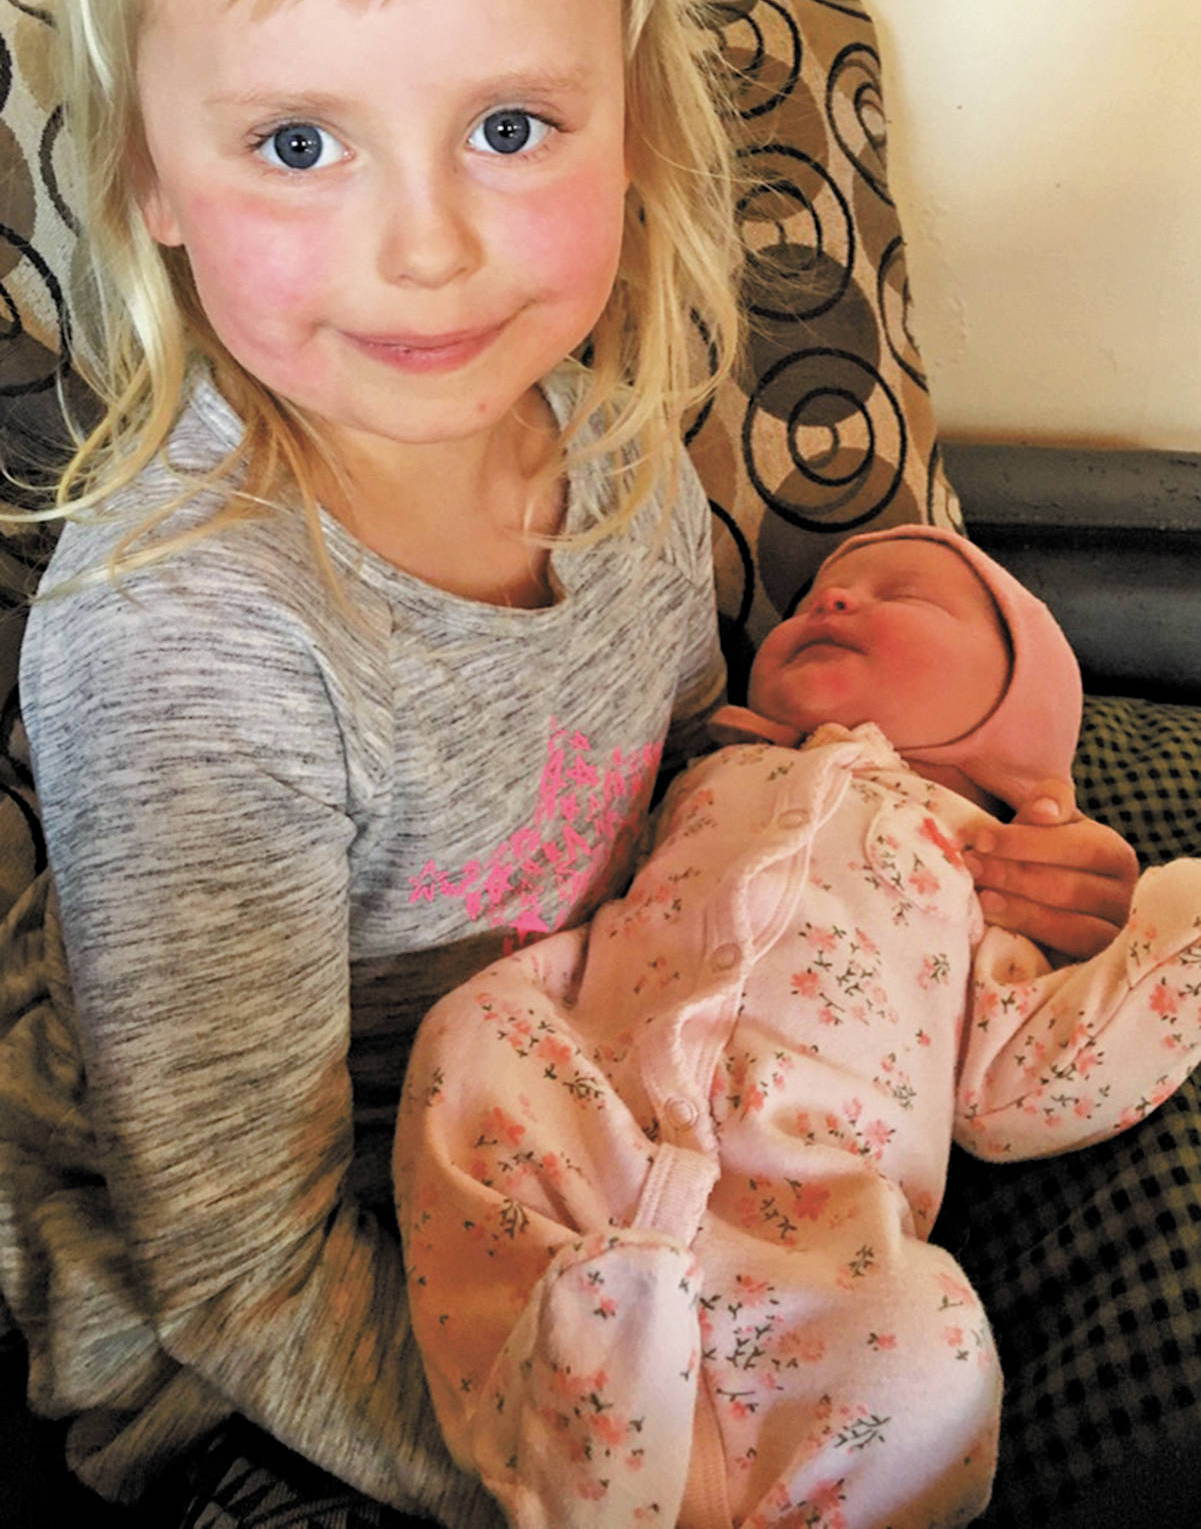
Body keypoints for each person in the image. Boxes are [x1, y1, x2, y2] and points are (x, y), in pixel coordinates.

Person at [0, 0, 1134, 1523]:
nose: (427, 246)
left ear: (632, 126)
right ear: (147, 171)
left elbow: (687, 800)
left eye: (509, 128)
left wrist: (950, 871)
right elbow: (234, 1261)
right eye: (299, 143)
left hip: (618, 1138)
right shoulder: (184, 641)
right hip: (303, 1338)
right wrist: (593, 1486)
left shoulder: (617, 459)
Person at [396, 525, 1201, 1529]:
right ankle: (578, 1428)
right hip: (595, 1119)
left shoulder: (983, 868)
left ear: (1016, 711)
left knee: (927, 1352)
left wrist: (1174, 937)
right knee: (474, 1030)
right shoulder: (698, 772)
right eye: (818, 594)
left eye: (900, 592)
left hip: (812, 1221)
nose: (829, 602)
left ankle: (675, 1474)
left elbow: (1022, 1089)